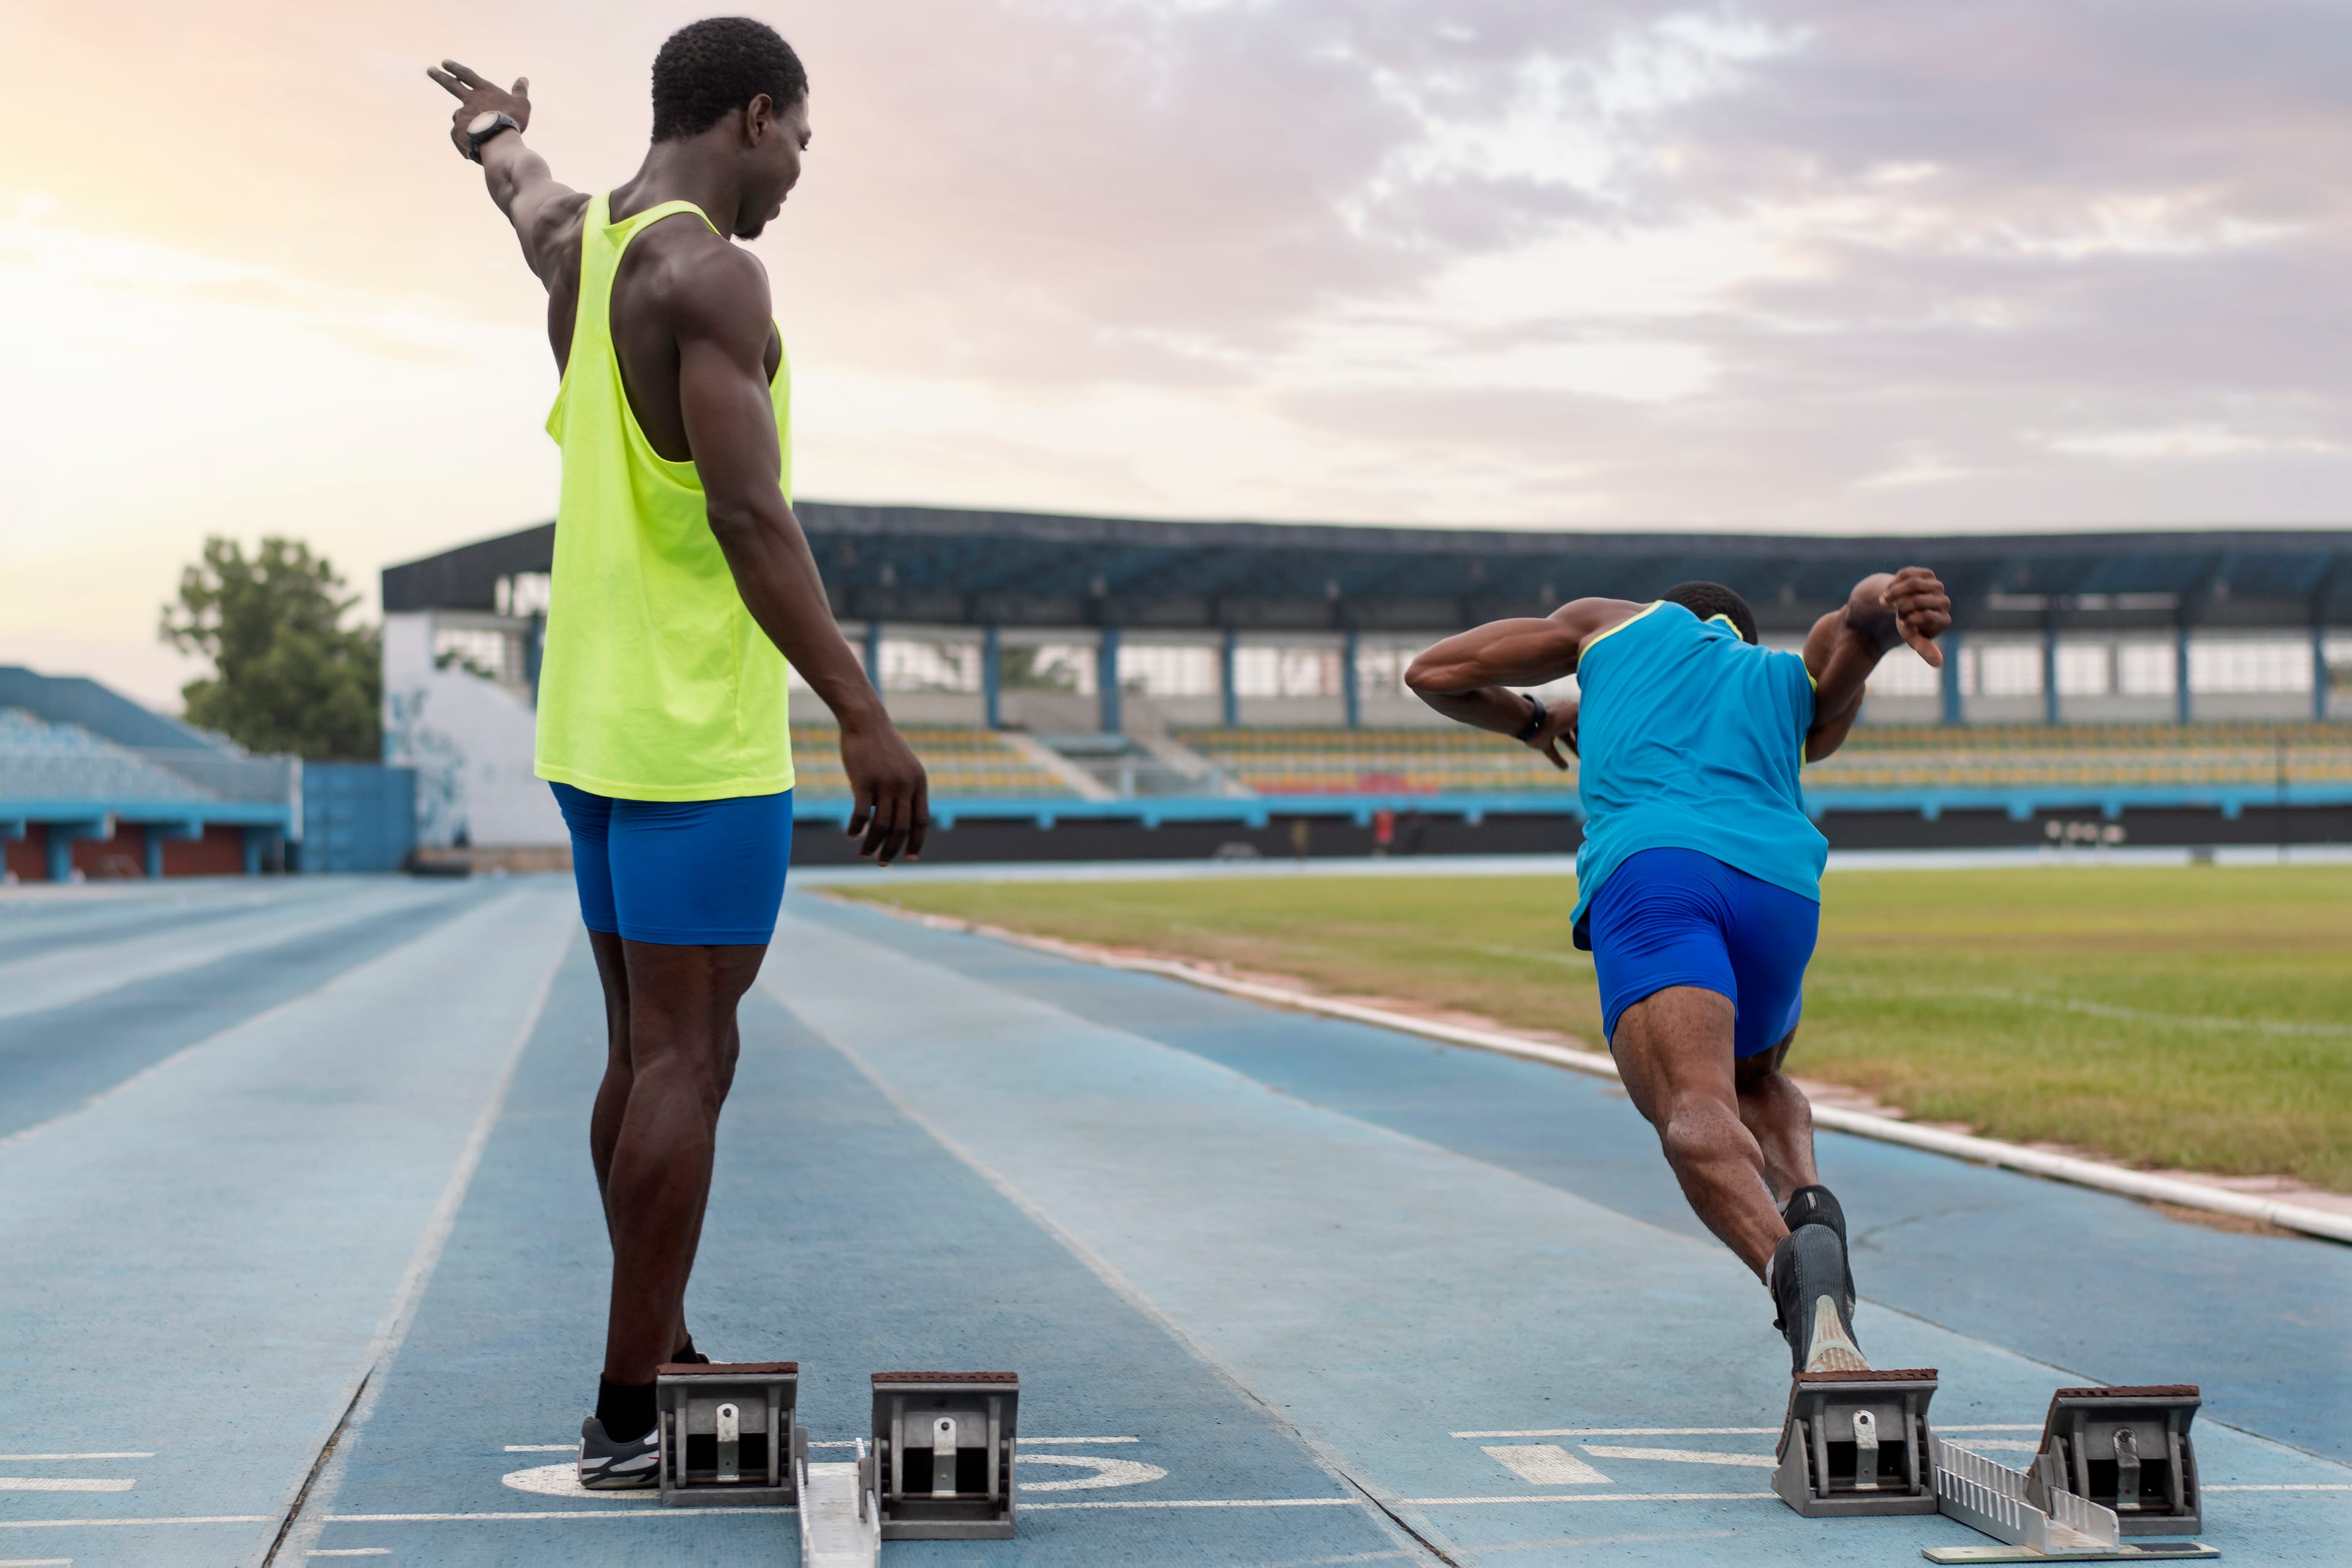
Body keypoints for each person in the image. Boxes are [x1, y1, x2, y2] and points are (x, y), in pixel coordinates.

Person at [428, 18, 930, 1488]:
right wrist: (861, 708)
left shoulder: (586, 241)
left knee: (640, 1051)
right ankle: (630, 1412)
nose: (798, 176)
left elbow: (521, 190)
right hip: (691, 738)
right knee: (689, 1058)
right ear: (755, 115)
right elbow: (750, 516)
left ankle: (663, 1349)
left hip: (588, 726)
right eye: (801, 144)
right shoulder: (714, 270)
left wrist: (491, 136)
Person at [1404, 570, 1951, 1376]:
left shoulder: (1608, 624)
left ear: (1674, 613)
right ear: (1740, 632)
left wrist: (1532, 721)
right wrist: (1880, 603)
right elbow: (1850, 638)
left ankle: (1795, 1283)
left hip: (1658, 872)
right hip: (1781, 891)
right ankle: (1804, 1198)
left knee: (1692, 1109)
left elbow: (1435, 673)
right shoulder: (1779, 679)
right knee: (1752, 1080)